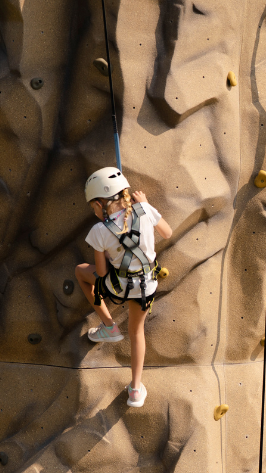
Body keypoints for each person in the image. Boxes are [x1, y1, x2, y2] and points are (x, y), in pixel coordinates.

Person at [74, 167, 172, 408]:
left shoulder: (98, 230)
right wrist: (145, 204)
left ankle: (109, 326)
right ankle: (136, 390)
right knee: (137, 332)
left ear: (99, 203)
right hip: (146, 286)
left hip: (118, 288)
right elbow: (167, 233)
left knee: (80, 271)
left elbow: (103, 272)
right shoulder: (145, 210)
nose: (93, 211)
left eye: (92, 206)